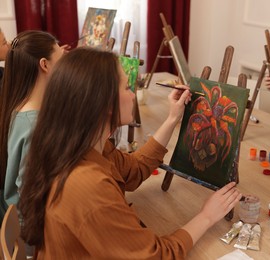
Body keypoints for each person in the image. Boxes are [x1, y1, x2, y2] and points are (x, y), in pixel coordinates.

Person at [19, 47, 242, 259]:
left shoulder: (78, 144)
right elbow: (157, 256)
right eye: (127, 87)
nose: (133, 95)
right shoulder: (87, 184)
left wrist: (173, 118)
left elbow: (133, 171)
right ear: (105, 103)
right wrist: (206, 216)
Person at [0, 30, 64, 222]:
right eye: (61, 61)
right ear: (44, 65)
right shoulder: (34, 125)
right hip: (28, 233)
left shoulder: (17, 107)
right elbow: (29, 196)